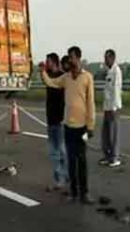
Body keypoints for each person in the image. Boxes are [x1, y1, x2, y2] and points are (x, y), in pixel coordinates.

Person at [40, 46, 96, 204]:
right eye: (68, 57)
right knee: (71, 161)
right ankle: (73, 192)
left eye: (71, 57)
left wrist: (91, 126)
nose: (69, 60)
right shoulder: (66, 78)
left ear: (78, 58)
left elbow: (91, 103)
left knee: (82, 160)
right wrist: (43, 72)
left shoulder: (87, 78)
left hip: (83, 127)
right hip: (68, 127)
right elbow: (52, 83)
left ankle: (85, 193)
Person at [44, 53, 68, 191]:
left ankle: (59, 179)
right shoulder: (48, 74)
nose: (46, 64)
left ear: (54, 62)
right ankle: (64, 177)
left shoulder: (62, 76)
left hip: (59, 118)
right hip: (50, 118)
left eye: (48, 62)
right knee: (59, 150)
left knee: (57, 151)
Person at [99, 49, 123, 167]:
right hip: (107, 107)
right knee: (106, 133)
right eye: (104, 58)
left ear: (112, 58)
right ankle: (108, 156)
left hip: (113, 107)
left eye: (107, 58)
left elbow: (116, 90)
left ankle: (115, 157)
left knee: (113, 134)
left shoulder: (116, 71)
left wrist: (114, 108)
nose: (105, 60)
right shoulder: (109, 71)